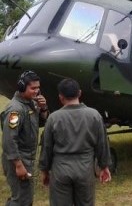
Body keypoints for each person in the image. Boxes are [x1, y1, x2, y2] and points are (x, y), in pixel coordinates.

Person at [39, 78, 112, 206]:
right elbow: (102, 144)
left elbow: (47, 147)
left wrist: (44, 170)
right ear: (79, 93)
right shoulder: (94, 115)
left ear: (60, 97)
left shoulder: (53, 118)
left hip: (60, 170)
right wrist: (104, 166)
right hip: (85, 170)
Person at [1, 70, 49, 206]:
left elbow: (39, 123)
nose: (37, 91)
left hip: (27, 158)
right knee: (21, 200)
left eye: (38, 88)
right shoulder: (15, 110)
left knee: (24, 198)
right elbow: (9, 140)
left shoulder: (31, 104)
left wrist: (43, 108)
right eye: (33, 88)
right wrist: (18, 165)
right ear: (22, 87)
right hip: (18, 159)